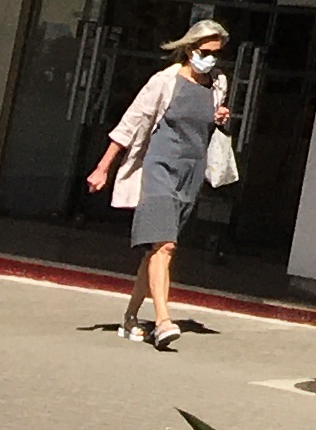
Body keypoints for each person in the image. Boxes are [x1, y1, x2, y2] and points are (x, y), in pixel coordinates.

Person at [87, 20, 230, 349]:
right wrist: (102, 168)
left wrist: (221, 117)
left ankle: (130, 317)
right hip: (160, 167)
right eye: (205, 52)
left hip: (191, 172)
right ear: (190, 49)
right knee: (165, 246)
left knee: (157, 248)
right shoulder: (164, 81)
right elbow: (131, 123)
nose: (211, 60)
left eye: (216, 54)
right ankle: (164, 321)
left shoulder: (218, 82)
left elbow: (210, 123)